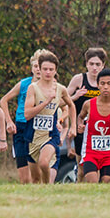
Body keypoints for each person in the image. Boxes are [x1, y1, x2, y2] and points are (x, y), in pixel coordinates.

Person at [24, 52, 77, 184]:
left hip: (51, 135)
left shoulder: (60, 89)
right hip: (33, 136)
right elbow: (27, 114)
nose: (48, 72)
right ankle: (41, 191)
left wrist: (73, 127)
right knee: (35, 178)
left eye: (51, 69)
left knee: (43, 163)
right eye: (45, 69)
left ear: (55, 70)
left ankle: (47, 186)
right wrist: (46, 102)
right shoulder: (33, 88)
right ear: (39, 70)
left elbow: (71, 105)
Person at [0, 50, 44, 184]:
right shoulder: (24, 84)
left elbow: (62, 106)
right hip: (20, 127)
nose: (38, 69)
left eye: (40, 66)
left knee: (37, 176)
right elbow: (3, 100)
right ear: (32, 68)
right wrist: (8, 122)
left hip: (38, 128)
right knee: (24, 178)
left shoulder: (49, 86)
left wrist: (59, 121)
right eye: (35, 66)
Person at [76, 68, 110, 183]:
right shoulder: (88, 104)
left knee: (107, 181)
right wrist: (80, 125)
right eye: (102, 83)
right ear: (98, 85)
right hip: (90, 151)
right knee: (92, 181)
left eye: (109, 83)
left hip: (108, 153)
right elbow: (80, 117)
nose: (105, 87)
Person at [67, 48, 106, 176]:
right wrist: (75, 96)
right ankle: (80, 187)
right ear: (86, 64)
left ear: (103, 65)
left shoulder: (107, 82)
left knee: (98, 167)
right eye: (91, 64)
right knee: (82, 167)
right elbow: (62, 100)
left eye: (98, 64)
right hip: (81, 128)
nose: (94, 68)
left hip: (100, 130)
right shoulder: (79, 79)